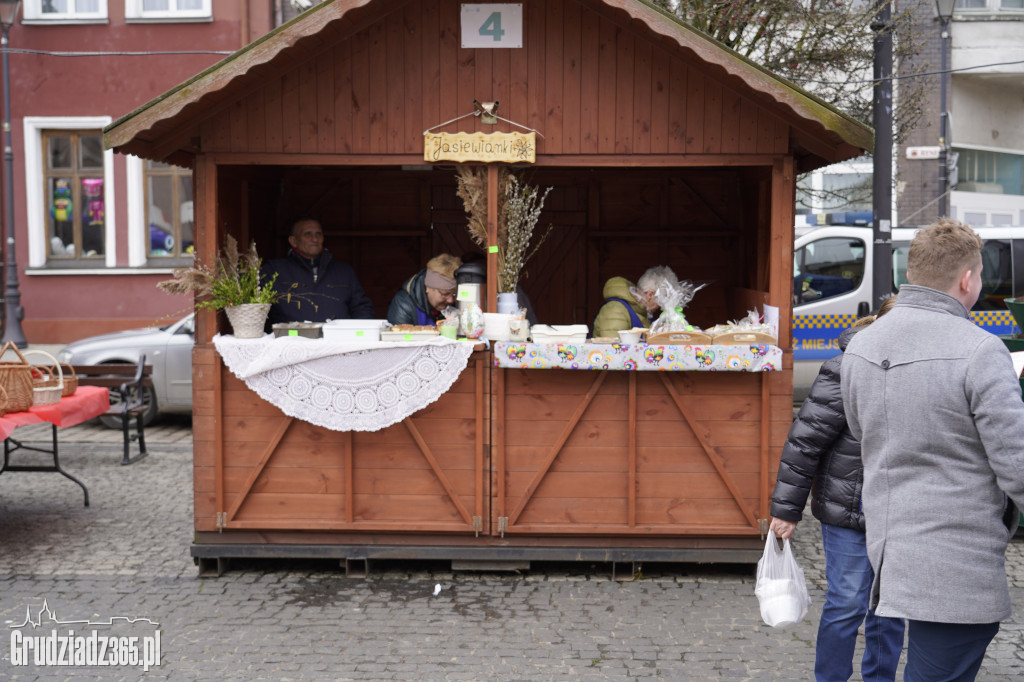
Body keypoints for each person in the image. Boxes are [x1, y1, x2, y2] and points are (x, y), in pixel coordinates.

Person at [841, 219, 1024, 681]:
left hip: (890, 544)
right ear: (967, 279)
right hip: (956, 559)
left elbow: (863, 434)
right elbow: (1017, 463)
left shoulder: (861, 345)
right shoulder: (981, 350)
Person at [770, 296, 903, 682]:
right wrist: (785, 510)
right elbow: (804, 443)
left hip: (899, 511)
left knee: (890, 608)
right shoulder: (844, 369)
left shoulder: (920, 373)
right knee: (846, 604)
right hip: (848, 507)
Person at [263, 217, 376, 324]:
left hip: (337, 341)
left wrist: (358, 335)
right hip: (289, 340)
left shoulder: (344, 271)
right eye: (307, 234)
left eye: (318, 234)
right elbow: (255, 309)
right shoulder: (273, 270)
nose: (315, 239)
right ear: (294, 241)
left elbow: (362, 308)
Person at [592, 265, 678, 338]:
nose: (660, 307)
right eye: (661, 302)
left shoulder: (641, 312)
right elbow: (612, 351)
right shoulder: (616, 310)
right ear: (650, 295)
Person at [387, 253, 462, 326]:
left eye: (455, 294)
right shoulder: (404, 305)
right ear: (428, 287)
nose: (451, 300)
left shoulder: (458, 302)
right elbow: (398, 337)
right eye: (445, 294)